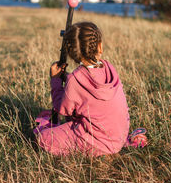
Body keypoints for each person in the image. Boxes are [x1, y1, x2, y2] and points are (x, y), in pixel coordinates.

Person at [36, 22, 130, 156]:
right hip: (119, 138)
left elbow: (62, 109)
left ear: (71, 53)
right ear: (100, 46)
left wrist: (56, 80)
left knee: (43, 138)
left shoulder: (75, 79)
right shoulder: (109, 68)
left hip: (98, 143)